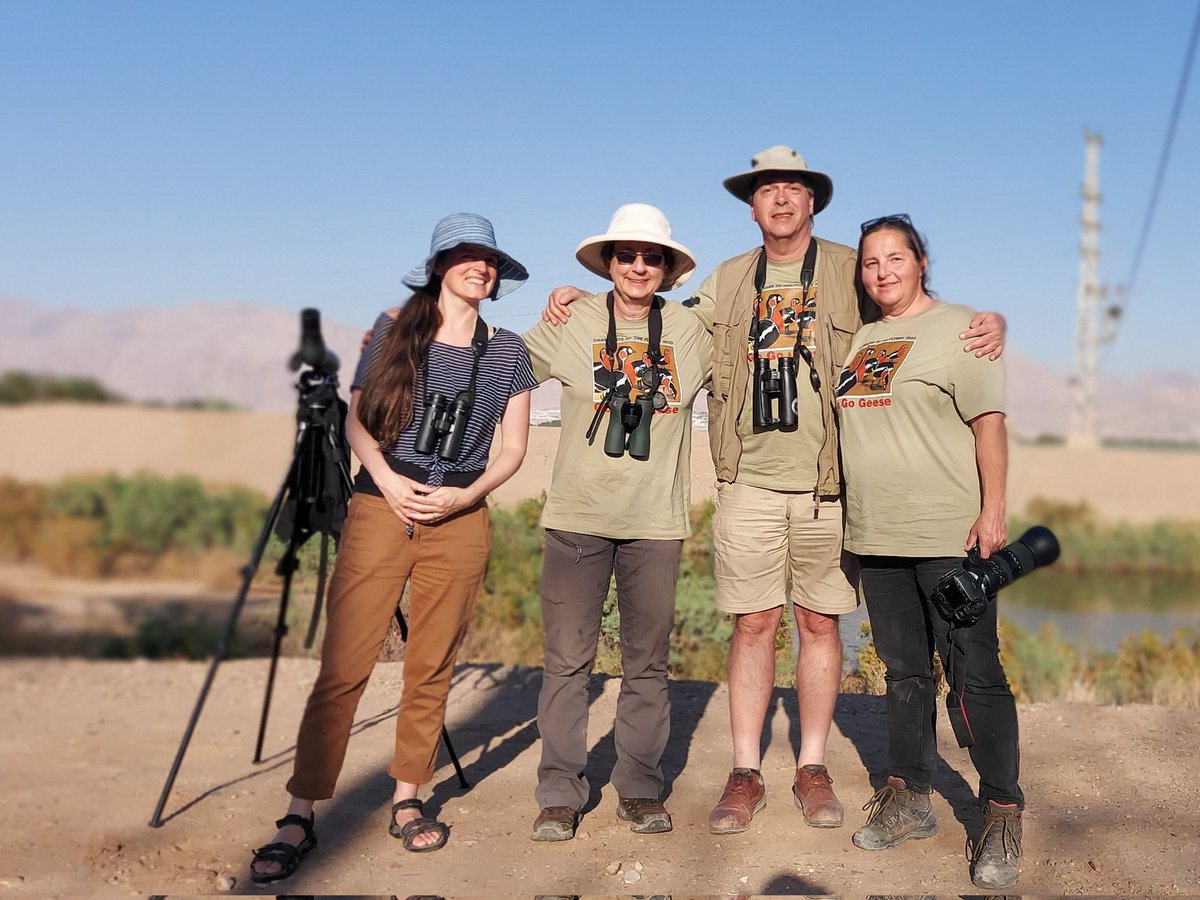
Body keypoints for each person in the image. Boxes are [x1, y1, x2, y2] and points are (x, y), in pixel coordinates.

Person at [543, 145, 1006, 835]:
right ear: (752, 205)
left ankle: (812, 764)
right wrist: (583, 301)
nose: (781, 199)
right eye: (768, 190)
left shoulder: (854, 269)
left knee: (820, 624)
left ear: (812, 200)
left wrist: (990, 322)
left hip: (829, 488)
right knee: (752, 624)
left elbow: (914, 314)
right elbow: (653, 319)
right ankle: (745, 769)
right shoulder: (727, 281)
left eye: (793, 188)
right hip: (748, 483)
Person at [249, 213, 536, 883]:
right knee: (343, 666)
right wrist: (385, 478)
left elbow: (515, 447)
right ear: (439, 265)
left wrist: (464, 498)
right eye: (465, 255)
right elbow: (353, 417)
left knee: (430, 664)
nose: (480, 266)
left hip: (461, 516)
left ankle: (408, 800)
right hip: (381, 508)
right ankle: (301, 811)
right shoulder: (392, 330)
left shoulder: (508, 350)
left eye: (488, 258)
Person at [837, 214, 1022, 890]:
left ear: (920, 261)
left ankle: (1001, 808)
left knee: (975, 672)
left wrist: (993, 509)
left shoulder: (962, 328)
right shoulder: (859, 336)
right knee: (905, 673)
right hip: (877, 536)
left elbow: (988, 424)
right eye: (870, 261)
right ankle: (910, 796)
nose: (882, 271)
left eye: (895, 257)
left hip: (949, 536)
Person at [522, 204, 712, 842]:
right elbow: (502, 368)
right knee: (567, 659)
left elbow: (766, 329)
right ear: (607, 262)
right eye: (626, 254)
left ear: (667, 267)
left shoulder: (691, 330)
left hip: (655, 522)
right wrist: (408, 331)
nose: (638, 265)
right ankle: (559, 793)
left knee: (646, 663)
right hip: (576, 517)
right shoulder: (572, 319)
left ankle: (637, 785)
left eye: (651, 256)